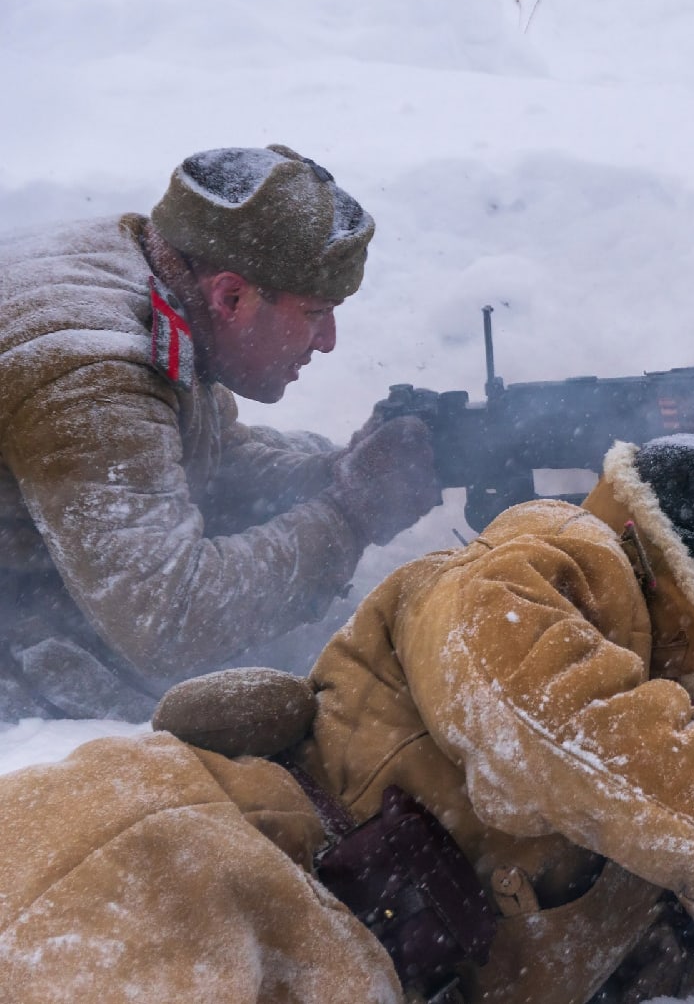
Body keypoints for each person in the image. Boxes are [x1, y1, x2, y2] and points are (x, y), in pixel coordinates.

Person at [0, 435, 694, 1004]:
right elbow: (539, 724)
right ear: (663, 567)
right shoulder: (529, 574)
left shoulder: (672, 777)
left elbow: (587, 942)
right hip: (182, 868)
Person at [0, 144, 441, 722]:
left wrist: (335, 473)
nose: (329, 340)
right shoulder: (91, 372)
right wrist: (350, 513)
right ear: (231, 295)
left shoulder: (163, 270)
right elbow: (168, 618)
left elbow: (198, 457)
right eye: (315, 313)